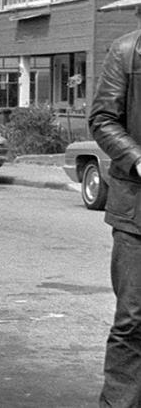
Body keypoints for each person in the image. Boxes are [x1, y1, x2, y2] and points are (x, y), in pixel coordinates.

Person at [91, 27, 141, 406]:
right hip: (136, 214)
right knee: (133, 321)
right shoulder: (126, 51)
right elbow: (103, 119)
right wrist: (138, 159)